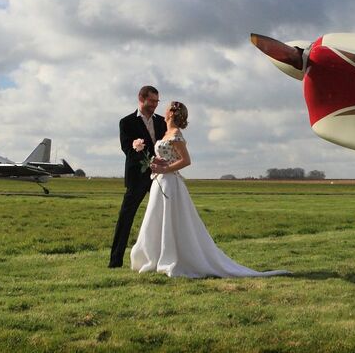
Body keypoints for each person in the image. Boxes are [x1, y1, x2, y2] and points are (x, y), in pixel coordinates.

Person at [130, 101, 288, 278]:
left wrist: (166, 169)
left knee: (171, 220)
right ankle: (154, 256)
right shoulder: (166, 133)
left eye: (166, 108)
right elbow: (167, 156)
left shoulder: (176, 134)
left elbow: (186, 160)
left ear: (171, 113)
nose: (163, 109)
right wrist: (156, 163)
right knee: (156, 218)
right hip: (159, 181)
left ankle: (174, 256)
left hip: (170, 182)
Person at [109, 85, 167, 268]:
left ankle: (165, 256)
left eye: (157, 101)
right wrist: (148, 161)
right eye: (152, 101)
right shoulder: (126, 122)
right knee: (126, 217)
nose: (155, 105)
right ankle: (115, 260)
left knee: (166, 214)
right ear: (141, 99)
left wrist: (163, 164)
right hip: (137, 177)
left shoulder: (162, 122)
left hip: (160, 177)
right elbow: (127, 149)